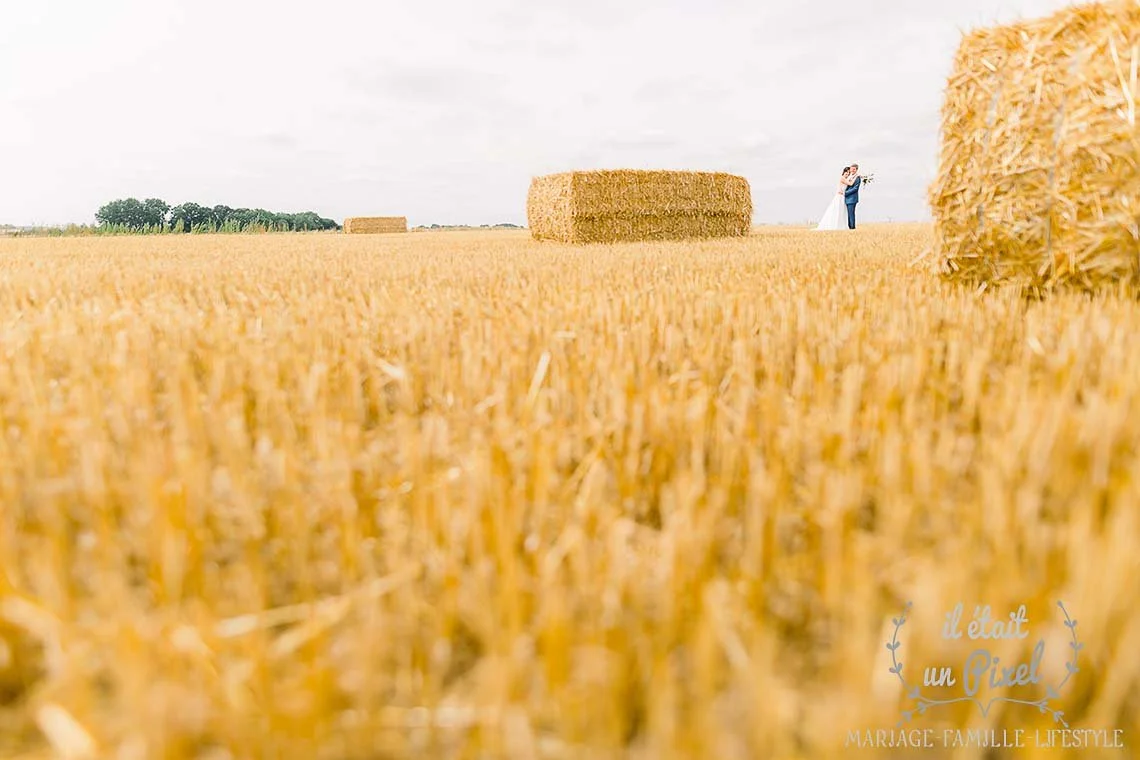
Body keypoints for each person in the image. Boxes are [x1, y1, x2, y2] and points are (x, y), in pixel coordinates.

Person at [814, 167, 853, 231]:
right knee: (838, 210)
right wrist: (855, 176)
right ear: (844, 172)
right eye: (847, 173)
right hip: (840, 196)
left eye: (848, 173)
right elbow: (850, 184)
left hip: (842, 196)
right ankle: (836, 225)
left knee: (842, 211)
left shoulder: (846, 179)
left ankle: (841, 225)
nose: (848, 174)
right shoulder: (842, 178)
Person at [844, 162, 863, 229]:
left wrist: (845, 193)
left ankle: (852, 227)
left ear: (856, 170)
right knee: (848, 214)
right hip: (846, 198)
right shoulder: (849, 176)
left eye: (854, 169)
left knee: (851, 213)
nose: (852, 170)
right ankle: (849, 227)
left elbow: (855, 189)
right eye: (851, 169)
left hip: (852, 198)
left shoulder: (857, 178)